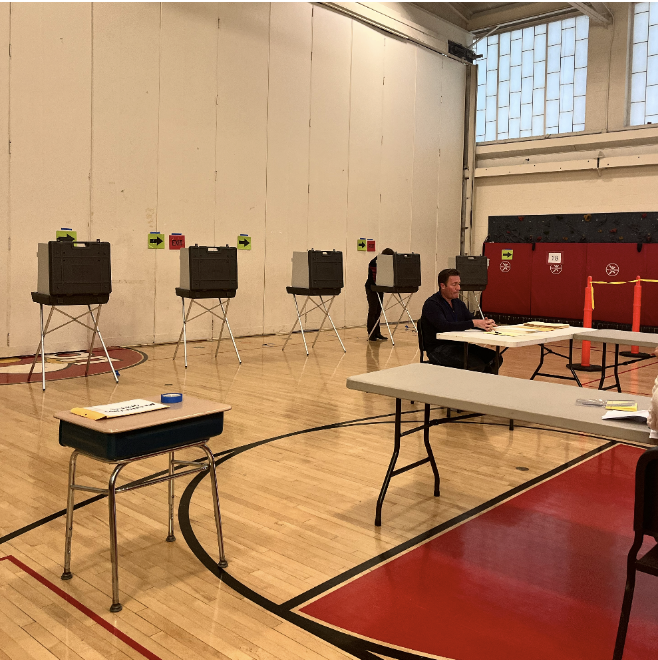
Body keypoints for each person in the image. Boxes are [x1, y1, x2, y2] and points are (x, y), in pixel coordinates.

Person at [421, 268, 500, 372]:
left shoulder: (458, 303)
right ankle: (471, 385)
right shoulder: (432, 304)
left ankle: (483, 385)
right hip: (438, 348)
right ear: (442, 286)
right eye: (454, 284)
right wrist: (474, 323)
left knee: (495, 358)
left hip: (460, 344)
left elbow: (470, 320)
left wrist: (484, 324)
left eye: (459, 284)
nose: (458, 288)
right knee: (476, 364)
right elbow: (445, 326)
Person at [365, 248, 395, 341]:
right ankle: (371, 333)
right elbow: (375, 278)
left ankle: (377, 333)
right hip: (372, 288)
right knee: (373, 310)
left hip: (380, 288)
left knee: (378, 311)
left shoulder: (385, 263)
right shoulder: (374, 262)